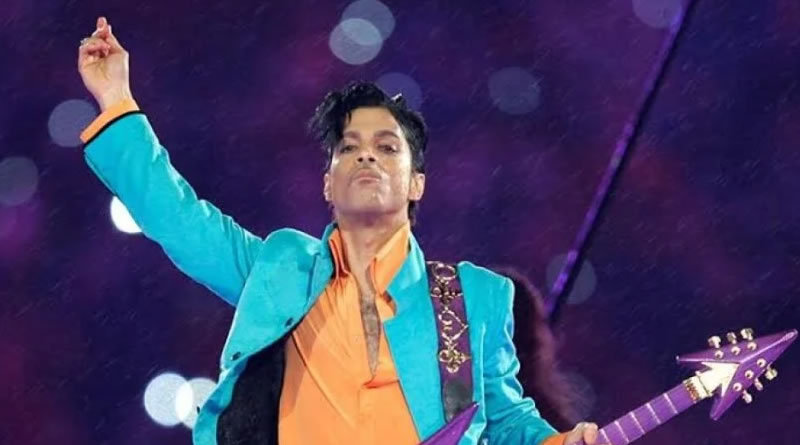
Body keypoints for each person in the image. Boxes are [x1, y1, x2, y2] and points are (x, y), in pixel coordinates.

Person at [77, 16, 600, 445]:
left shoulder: (471, 298)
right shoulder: (280, 270)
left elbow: (506, 423)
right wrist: (117, 99)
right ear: (328, 182)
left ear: (416, 183)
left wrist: (560, 442)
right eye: (349, 148)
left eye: (387, 147)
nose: (366, 155)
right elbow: (179, 219)